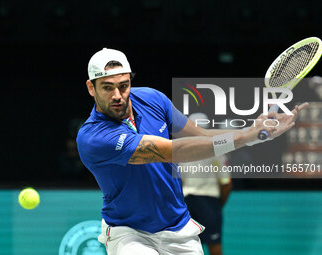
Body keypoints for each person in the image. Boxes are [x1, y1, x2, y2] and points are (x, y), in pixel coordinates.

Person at [76, 48, 307, 255]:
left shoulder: (152, 99)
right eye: (107, 87)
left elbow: (198, 136)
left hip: (178, 227)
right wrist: (246, 137)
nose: (117, 95)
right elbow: (172, 150)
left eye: (123, 85)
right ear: (91, 88)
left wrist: (253, 133)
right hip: (129, 232)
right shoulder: (94, 138)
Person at [180, 113, 232, 255]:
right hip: (208, 203)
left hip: (188, 203)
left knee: (189, 246)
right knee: (213, 244)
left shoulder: (182, 152)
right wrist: (217, 206)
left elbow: (179, 182)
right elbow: (226, 183)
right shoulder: (217, 152)